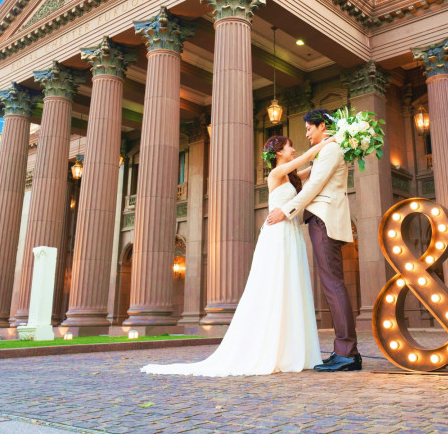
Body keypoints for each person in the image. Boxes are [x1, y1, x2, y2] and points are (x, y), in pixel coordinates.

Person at [141, 135, 333, 377]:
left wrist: (331, 153)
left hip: (291, 231)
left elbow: (310, 170)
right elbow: (306, 158)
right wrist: (327, 142)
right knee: (277, 283)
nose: (293, 150)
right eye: (288, 147)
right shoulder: (275, 174)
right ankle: (273, 348)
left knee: (292, 283)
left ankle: (292, 349)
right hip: (278, 234)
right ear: (278, 152)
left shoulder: (291, 176)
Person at [267, 109, 361, 372]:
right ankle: (343, 349)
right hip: (320, 218)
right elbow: (307, 176)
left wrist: (286, 211)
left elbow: (314, 187)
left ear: (322, 126)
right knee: (332, 284)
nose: (306, 133)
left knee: (333, 285)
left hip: (323, 219)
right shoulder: (324, 150)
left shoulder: (330, 149)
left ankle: (348, 353)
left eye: (309, 128)